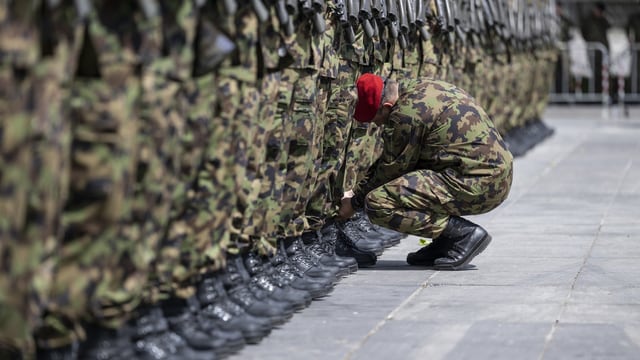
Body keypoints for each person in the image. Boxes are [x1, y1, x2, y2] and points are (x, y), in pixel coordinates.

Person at [338, 73, 513, 270]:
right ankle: (445, 242)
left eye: (376, 119)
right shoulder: (419, 86)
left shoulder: (406, 114)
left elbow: (391, 169)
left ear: (386, 107)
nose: (377, 125)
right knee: (412, 179)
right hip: (493, 174)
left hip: (479, 184)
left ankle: (461, 234)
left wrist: (353, 202)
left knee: (378, 202)